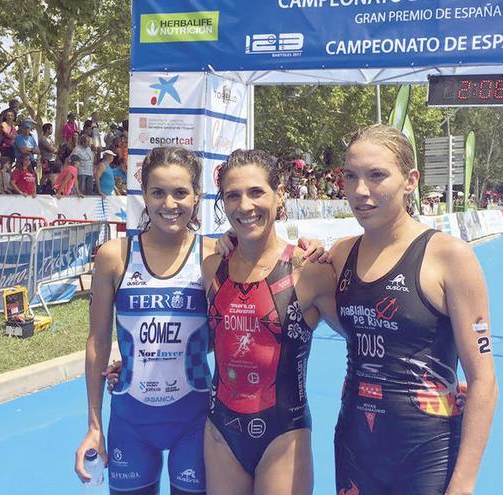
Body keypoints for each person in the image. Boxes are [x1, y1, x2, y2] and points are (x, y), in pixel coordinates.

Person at [74, 146, 327, 494]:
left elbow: (232, 327)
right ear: (143, 195)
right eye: (157, 192)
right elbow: (98, 341)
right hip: (131, 422)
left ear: (197, 196)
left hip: (195, 422)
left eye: (180, 192)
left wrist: (312, 248)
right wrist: (94, 422)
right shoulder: (114, 256)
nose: (169, 203)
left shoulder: (215, 256)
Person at [329, 124, 497, 494]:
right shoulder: (339, 255)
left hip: (425, 454)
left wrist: (463, 484)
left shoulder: (450, 258)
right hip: (355, 445)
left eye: (377, 176)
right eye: (351, 176)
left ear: (410, 181)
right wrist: (229, 242)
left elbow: (484, 381)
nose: (360, 191)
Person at [200, 149, 340, 495]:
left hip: (284, 435)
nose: (244, 206)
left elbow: (366, 336)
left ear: (280, 193)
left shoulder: (309, 271)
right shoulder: (211, 268)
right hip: (221, 433)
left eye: (256, 192)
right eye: (232, 195)